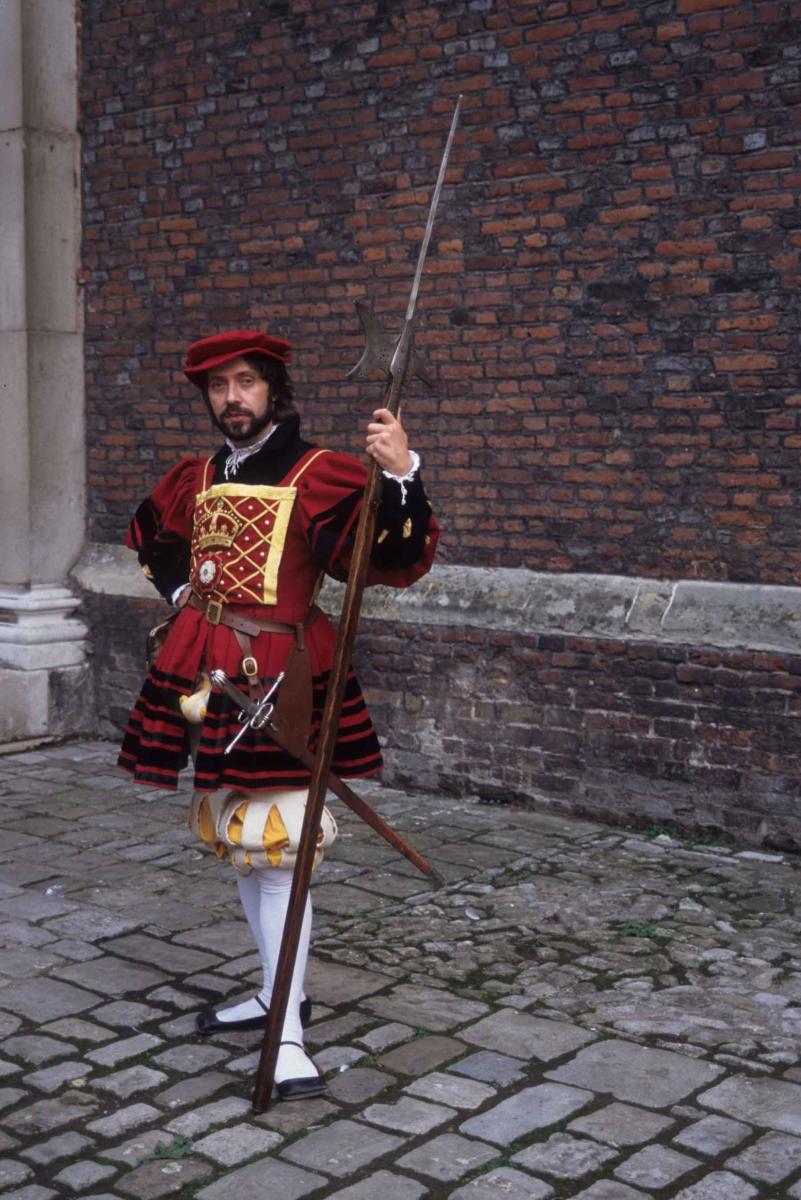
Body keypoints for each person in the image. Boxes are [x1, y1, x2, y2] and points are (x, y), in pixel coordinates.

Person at [118, 329, 438, 1100]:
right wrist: (182, 594)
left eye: (246, 382)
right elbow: (152, 538)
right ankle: (273, 993)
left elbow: (388, 556)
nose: (232, 398)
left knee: (282, 851)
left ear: (273, 390)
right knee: (242, 840)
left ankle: (287, 1032)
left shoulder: (317, 472)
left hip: (283, 678)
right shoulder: (198, 475)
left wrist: (402, 475)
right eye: (218, 386)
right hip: (206, 672)